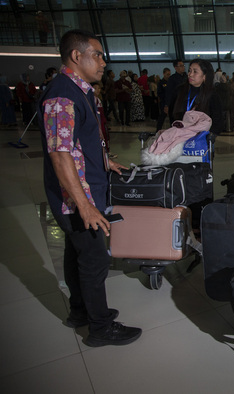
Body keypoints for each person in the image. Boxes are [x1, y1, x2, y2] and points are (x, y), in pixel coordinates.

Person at [37, 29, 141, 347]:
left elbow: (78, 142)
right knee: (95, 258)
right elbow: (60, 153)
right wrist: (84, 205)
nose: (103, 62)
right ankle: (100, 327)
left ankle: (80, 312)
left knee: (76, 252)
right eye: (96, 54)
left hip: (84, 189)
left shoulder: (79, 91)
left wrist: (105, 162)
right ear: (75, 56)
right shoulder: (62, 95)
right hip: (77, 196)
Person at [170, 58, 224, 137]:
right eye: (190, 70)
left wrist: (210, 135)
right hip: (180, 136)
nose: (190, 74)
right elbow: (172, 113)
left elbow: (218, 120)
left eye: (195, 72)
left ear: (204, 76)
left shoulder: (212, 95)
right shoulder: (180, 91)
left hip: (201, 138)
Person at [164, 60, 187, 125]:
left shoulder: (186, 77)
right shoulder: (172, 79)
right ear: (175, 67)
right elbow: (169, 92)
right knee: (175, 122)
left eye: (183, 65)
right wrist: (167, 105)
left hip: (185, 103)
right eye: (181, 66)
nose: (183, 67)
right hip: (175, 104)